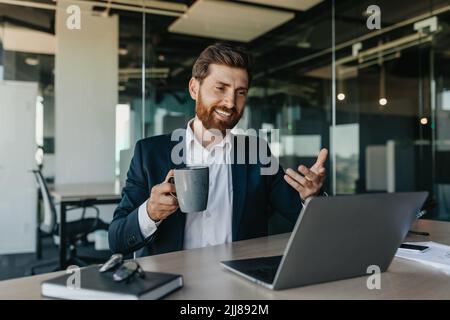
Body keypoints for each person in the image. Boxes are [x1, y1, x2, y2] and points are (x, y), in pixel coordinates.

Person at [109, 43, 328, 256]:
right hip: (173, 285)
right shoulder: (149, 153)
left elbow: (301, 216)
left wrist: (310, 198)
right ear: (194, 88)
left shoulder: (256, 153)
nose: (231, 103)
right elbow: (117, 239)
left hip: (239, 285)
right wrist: (150, 212)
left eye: (240, 92)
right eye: (220, 88)